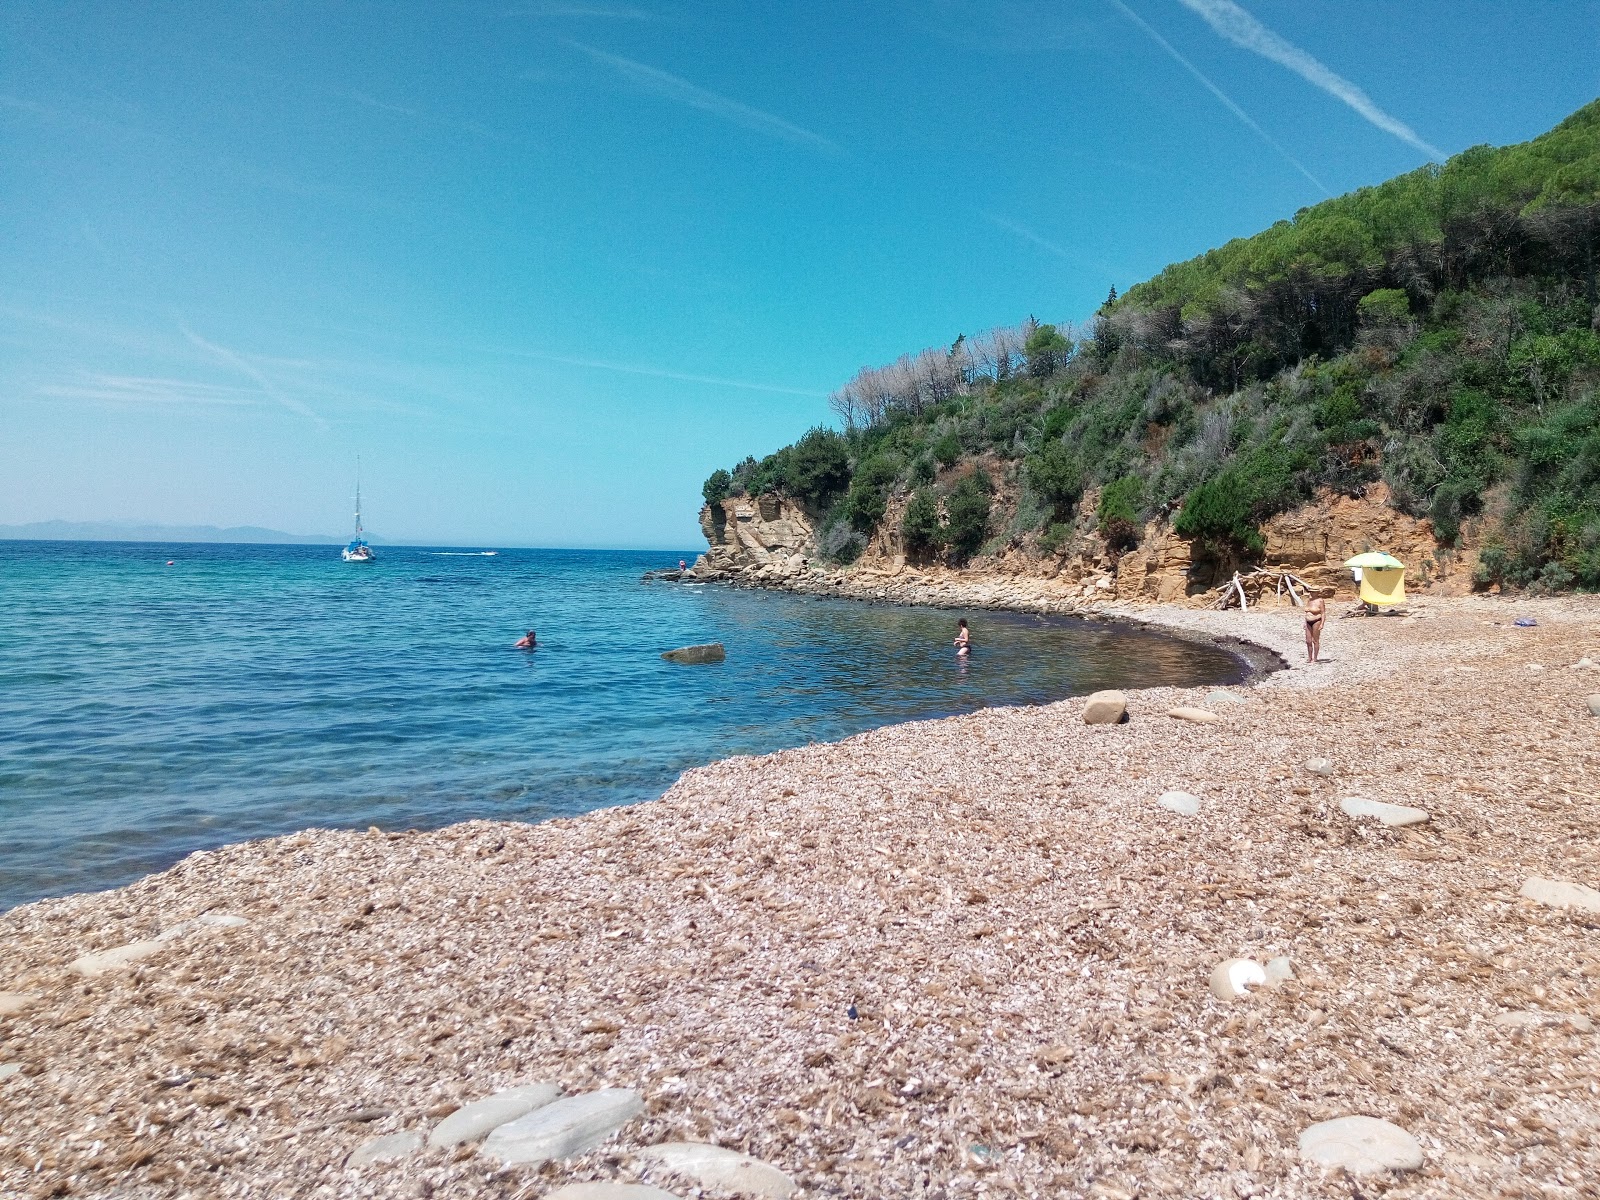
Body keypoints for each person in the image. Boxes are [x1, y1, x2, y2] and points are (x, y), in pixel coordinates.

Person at [1303, 595, 1325, 664]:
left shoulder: (1320, 601)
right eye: (1311, 591)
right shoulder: (1309, 600)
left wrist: (1322, 623)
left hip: (1316, 621)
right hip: (1308, 621)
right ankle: (1309, 658)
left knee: (1315, 640)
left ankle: (1315, 658)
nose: (1312, 593)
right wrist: (1304, 622)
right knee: (1308, 641)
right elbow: (1307, 613)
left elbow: (1323, 613)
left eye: (1313, 591)